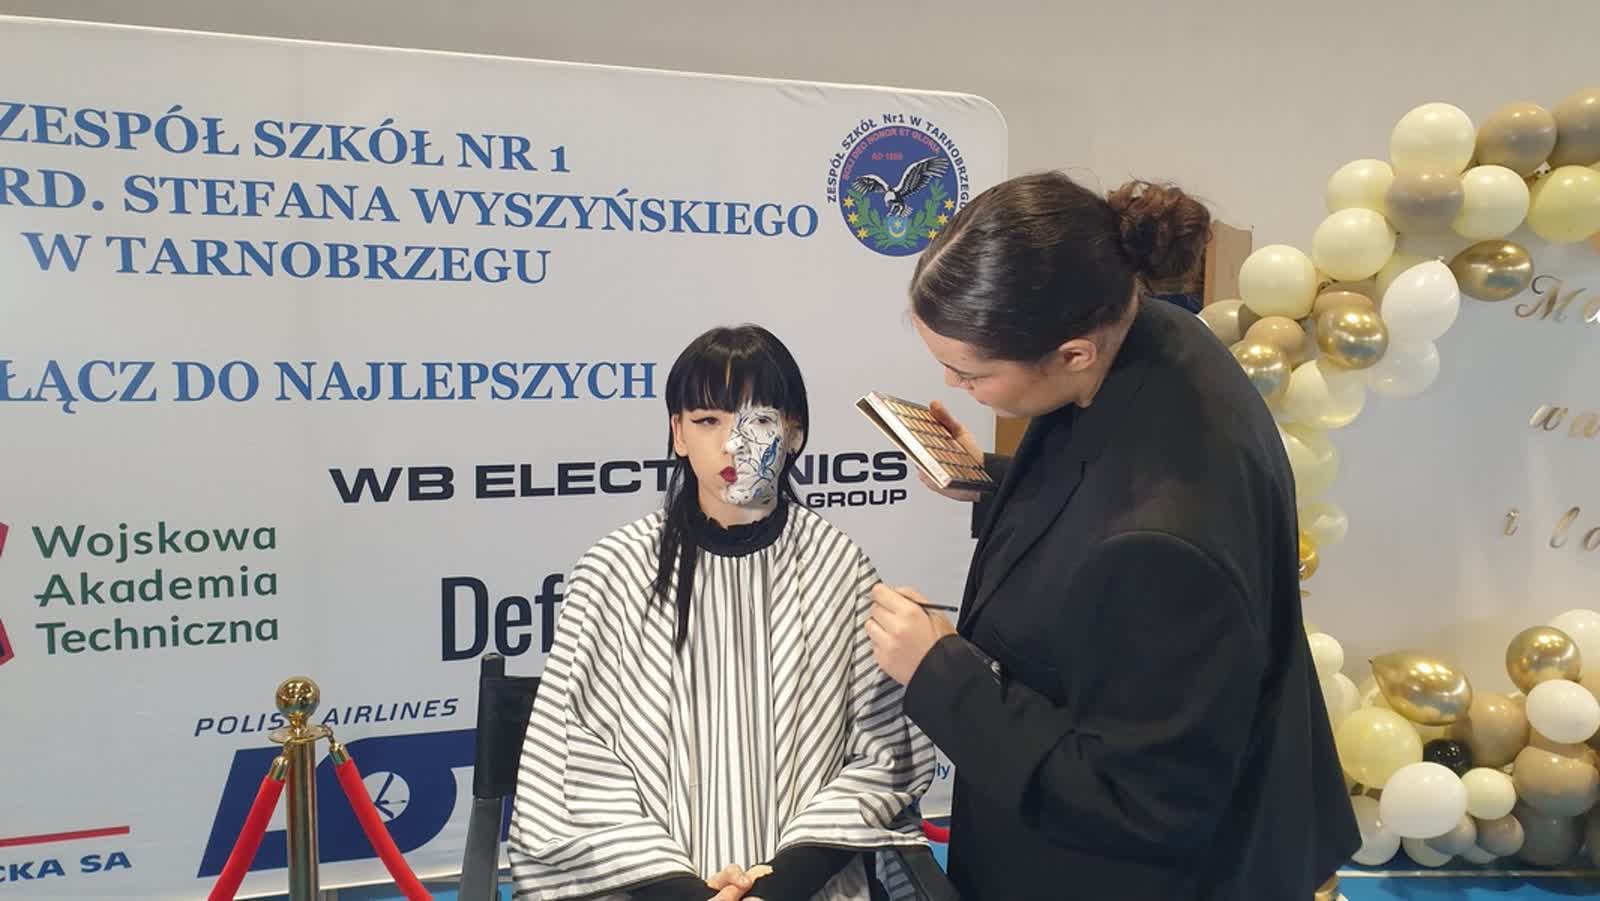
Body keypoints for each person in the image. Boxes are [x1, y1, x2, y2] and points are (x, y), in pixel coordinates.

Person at [863, 173, 1361, 899]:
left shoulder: (1162, 544)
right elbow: (1093, 482)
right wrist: (993, 481)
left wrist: (938, 671)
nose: (950, 383)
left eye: (971, 372)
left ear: (1073, 353)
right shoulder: (1147, 330)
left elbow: (1137, 803)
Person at [509, 325, 936, 901]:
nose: (733, 444)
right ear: (678, 433)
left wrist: (779, 886)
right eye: (708, 420)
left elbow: (882, 757)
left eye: (757, 420)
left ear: (793, 432)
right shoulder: (612, 569)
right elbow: (570, 764)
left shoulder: (841, 566)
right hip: (645, 889)